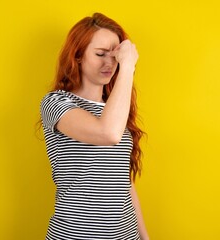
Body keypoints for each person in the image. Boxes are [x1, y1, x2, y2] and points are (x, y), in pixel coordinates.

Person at [40, 12, 149, 240]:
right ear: (78, 56)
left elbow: (122, 181)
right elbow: (107, 133)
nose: (110, 63)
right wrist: (127, 66)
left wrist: (144, 235)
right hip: (76, 234)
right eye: (100, 54)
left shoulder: (115, 109)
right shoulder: (56, 102)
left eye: (115, 56)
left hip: (126, 234)